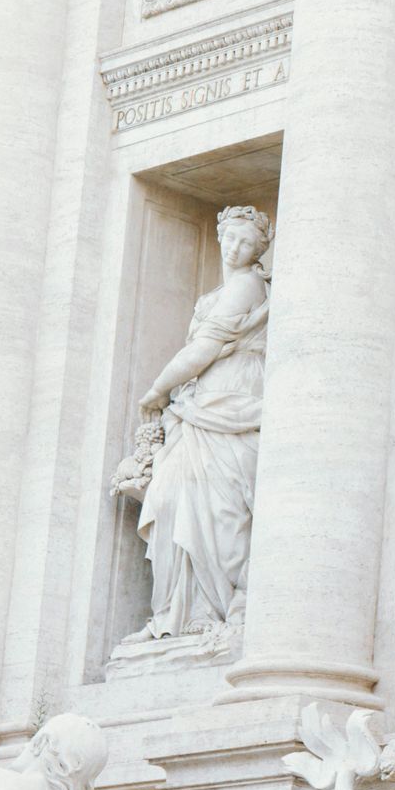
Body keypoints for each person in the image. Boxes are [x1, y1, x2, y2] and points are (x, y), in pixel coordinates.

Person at [118, 205, 272, 641]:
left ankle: (216, 607)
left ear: (260, 250)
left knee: (223, 509)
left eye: (248, 242)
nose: (236, 248)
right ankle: (175, 611)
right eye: (231, 238)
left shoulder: (248, 286)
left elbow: (203, 350)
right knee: (170, 498)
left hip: (233, 399)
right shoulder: (218, 292)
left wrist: (157, 389)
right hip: (198, 405)